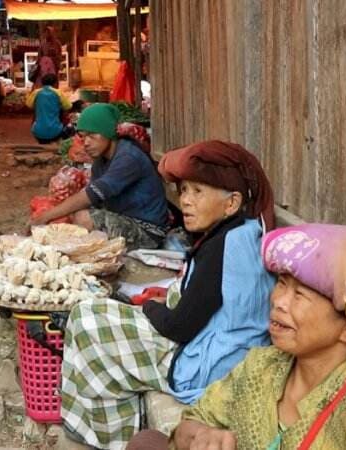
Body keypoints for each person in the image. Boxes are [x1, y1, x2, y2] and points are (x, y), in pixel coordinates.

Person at [60, 140, 277, 449]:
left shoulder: (227, 245)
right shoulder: (239, 232)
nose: (186, 201)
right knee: (93, 311)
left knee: (87, 320)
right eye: (184, 190)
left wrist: (149, 306)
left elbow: (179, 327)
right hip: (213, 349)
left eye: (197, 192)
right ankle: (110, 427)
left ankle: (111, 437)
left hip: (210, 367)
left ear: (231, 203)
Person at [128, 223, 346, 450]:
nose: (279, 301)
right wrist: (200, 435)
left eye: (300, 295)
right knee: (146, 442)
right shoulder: (262, 366)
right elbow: (192, 421)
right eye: (282, 284)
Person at [30, 103, 169, 250]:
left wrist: (46, 216)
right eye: (83, 137)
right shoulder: (101, 160)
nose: (86, 143)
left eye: (92, 135)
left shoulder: (128, 157)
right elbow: (93, 198)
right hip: (123, 217)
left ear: (108, 134)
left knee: (83, 219)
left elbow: (90, 196)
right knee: (69, 218)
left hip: (147, 231)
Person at [25, 73, 72, 144]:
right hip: (56, 131)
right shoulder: (58, 93)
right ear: (55, 83)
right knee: (70, 127)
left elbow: (28, 105)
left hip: (38, 131)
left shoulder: (36, 92)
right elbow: (68, 106)